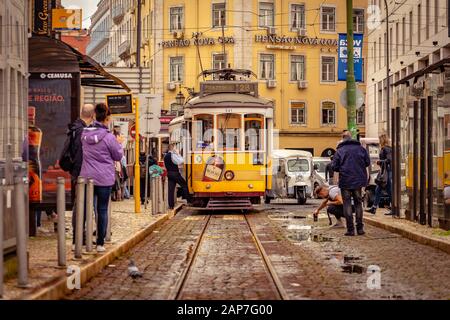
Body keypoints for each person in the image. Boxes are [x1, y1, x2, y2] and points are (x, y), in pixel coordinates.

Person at [80, 103, 123, 252]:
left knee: (85, 208)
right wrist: (120, 144)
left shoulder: (84, 134)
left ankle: (80, 240)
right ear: (106, 118)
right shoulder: (110, 137)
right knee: (102, 209)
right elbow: (118, 155)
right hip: (104, 178)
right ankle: (99, 243)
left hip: (87, 177)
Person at [332, 130, 370, 236]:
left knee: (347, 204)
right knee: (358, 204)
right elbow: (367, 163)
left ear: (343, 138)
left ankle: (350, 229)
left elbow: (334, 166)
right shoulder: (361, 149)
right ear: (351, 137)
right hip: (358, 181)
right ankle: (360, 229)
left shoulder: (339, 151)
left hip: (345, 181)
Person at [67, 104, 95, 248]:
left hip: (77, 171)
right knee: (81, 206)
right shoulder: (82, 131)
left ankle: (80, 236)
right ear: (92, 115)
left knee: (81, 205)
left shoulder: (74, 128)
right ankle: (77, 239)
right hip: (81, 172)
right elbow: (80, 154)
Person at [366, 134, 393, 215]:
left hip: (386, 171)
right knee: (380, 189)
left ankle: (394, 208)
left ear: (382, 140)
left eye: (380, 139)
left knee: (387, 190)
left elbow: (389, 160)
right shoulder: (386, 148)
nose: (379, 141)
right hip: (386, 171)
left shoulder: (386, 149)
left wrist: (379, 162)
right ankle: (374, 208)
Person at [164, 143, 191, 209]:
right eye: (175, 148)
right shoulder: (173, 155)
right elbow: (181, 161)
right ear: (172, 148)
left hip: (169, 174)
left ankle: (171, 205)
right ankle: (189, 200)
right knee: (184, 185)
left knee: (171, 190)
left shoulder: (165, 156)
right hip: (175, 174)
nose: (176, 149)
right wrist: (178, 154)